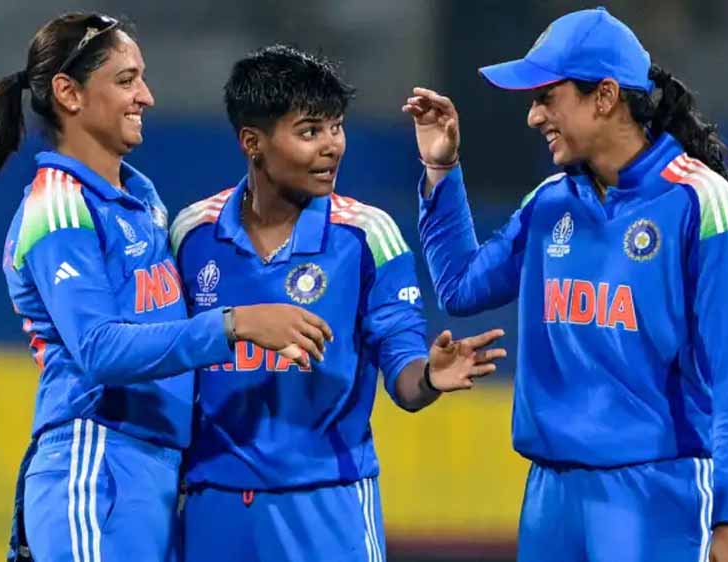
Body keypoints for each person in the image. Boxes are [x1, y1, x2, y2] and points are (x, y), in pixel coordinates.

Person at [403, 7, 728, 562]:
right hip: (550, 498)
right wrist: (441, 171)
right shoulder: (549, 203)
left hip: (655, 497)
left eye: (547, 97)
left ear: (605, 96)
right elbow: (459, 288)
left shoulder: (701, 204)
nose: (533, 117)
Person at [0, 15, 332, 562]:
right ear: (69, 93)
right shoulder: (60, 207)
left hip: (155, 473)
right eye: (126, 80)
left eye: (141, 78)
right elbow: (99, 348)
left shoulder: (142, 203)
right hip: (96, 463)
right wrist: (238, 324)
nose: (146, 96)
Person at [170, 45, 507, 562]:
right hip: (212, 505)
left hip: (328, 506)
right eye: (310, 132)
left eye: (337, 127)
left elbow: (404, 376)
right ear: (253, 142)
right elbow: (171, 357)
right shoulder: (192, 234)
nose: (332, 146)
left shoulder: (367, 235)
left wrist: (430, 376)